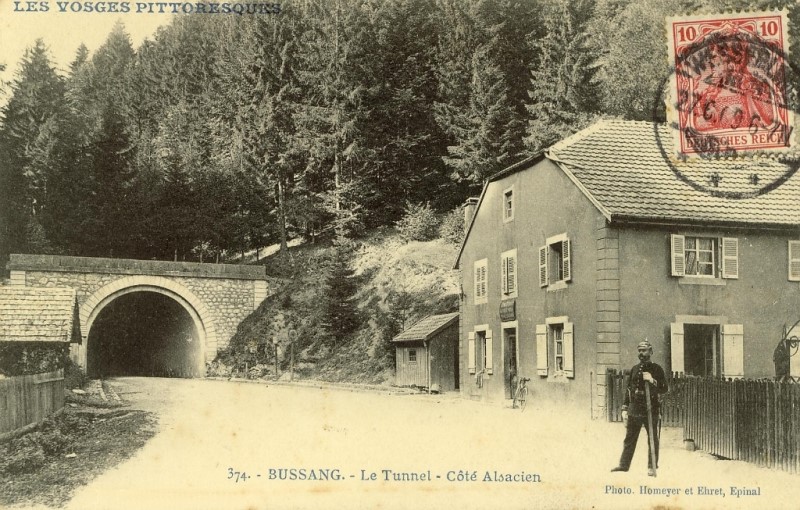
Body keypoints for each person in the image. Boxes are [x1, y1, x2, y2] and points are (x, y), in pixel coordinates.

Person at [611, 340, 668, 476]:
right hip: (635, 408)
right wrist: (625, 408)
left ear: (651, 352)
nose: (641, 353)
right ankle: (624, 465)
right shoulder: (635, 369)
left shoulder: (657, 369)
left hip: (650, 408)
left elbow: (664, 388)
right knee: (629, 438)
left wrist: (652, 380)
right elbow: (629, 390)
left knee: (652, 438)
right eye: (640, 351)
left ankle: (652, 466)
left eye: (644, 350)